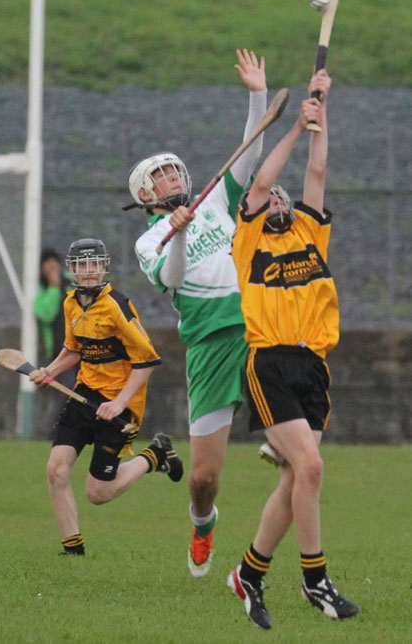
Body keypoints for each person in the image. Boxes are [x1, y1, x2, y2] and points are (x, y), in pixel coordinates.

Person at [127, 49, 268, 578]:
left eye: (173, 169)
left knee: (294, 435)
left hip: (257, 328)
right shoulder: (150, 239)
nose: (171, 176)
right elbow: (172, 278)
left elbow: (250, 154)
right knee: (204, 477)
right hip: (209, 346)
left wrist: (257, 94)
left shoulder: (215, 201)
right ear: (145, 193)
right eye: (160, 175)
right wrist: (179, 232)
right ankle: (202, 522)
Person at [227, 70, 359, 629]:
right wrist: (294, 130)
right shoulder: (250, 237)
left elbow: (319, 170)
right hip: (270, 362)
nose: (281, 198)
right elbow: (258, 183)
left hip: (314, 366)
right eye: (273, 197)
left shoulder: (310, 230)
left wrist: (319, 117)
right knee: (310, 465)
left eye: (285, 196)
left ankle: (250, 574)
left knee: (296, 477)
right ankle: (315, 579)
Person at [29, 237, 183, 557]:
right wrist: (50, 371)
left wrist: (119, 403)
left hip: (120, 403)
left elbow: (147, 361)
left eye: (93, 265)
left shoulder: (117, 306)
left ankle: (154, 456)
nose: (88, 272)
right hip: (84, 392)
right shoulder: (71, 302)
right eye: (82, 265)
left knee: (98, 493)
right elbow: (74, 349)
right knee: (56, 469)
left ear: (103, 267)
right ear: (72, 269)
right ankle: (73, 550)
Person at [34, 248, 79, 431]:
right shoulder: (42, 290)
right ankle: (58, 431)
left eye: (55, 262)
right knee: (65, 391)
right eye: (47, 263)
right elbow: (45, 314)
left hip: (83, 347)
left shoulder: (73, 283)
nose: (52, 267)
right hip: (60, 352)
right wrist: (53, 287)